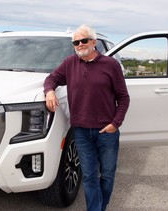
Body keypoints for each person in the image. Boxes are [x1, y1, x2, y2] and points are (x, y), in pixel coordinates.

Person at [43, 24, 130, 211]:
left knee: (107, 175)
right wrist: (49, 92)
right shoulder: (69, 63)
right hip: (81, 131)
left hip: (106, 131)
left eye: (83, 40)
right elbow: (51, 79)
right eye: (76, 42)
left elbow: (124, 97)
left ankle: (100, 206)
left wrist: (115, 124)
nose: (80, 44)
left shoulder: (111, 65)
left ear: (93, 42)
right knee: (89, 176)